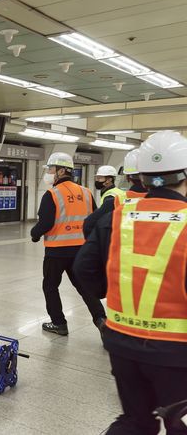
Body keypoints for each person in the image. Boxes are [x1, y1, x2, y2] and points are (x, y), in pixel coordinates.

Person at [74, 130, 187, 435]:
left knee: (135, 421)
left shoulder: (120, 215)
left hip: (122, 342)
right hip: (176, 354)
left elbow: (83, 268)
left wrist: (109, 291)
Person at [30, 152, 104, 336]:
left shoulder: (52, 194)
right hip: (81, 251)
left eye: (51, 169)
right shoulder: (86, 193)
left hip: (57, 251)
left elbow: (46, 223)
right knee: (84, 288)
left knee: (50, 286)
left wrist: (34, 234)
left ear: (62, 171)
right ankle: (102, 320)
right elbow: (95, 219)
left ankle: (59, 323)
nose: (48, 173)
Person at [84, 151, 146, 238]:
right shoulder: (117, 193)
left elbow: (89, 225)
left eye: (100, 178)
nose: (97, 181)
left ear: (128, 178)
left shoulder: (111, 199)